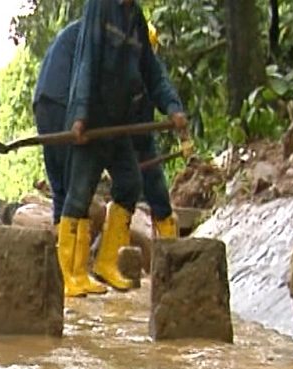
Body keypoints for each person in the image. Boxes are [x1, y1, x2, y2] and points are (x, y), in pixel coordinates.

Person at [60, 0, 187, 295]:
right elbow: (87, 58)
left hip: (119, 123)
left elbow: (151, 71)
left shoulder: (136, 19)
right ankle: (69, 273)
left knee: (129, 183)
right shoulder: (100, 6)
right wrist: (80, 113)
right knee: (80, 193)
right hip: (94, 120)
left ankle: (106, 262)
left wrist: (172, 107)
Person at [33, 20, 106, 296]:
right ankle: (72, 274)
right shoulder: (101, 35)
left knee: (62, 187)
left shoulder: (82, 29)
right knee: (76, 186)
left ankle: (65, 273)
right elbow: (94, 84)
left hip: (44, 102)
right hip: (63, 103)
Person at [132, 23, 190, 239]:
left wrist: (174, 109)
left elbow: (161, 86)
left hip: (143, 140)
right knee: (128, 192)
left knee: (156, 191)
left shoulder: (151, 68)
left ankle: (169, 245)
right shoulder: (113, 64)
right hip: (117, 141)